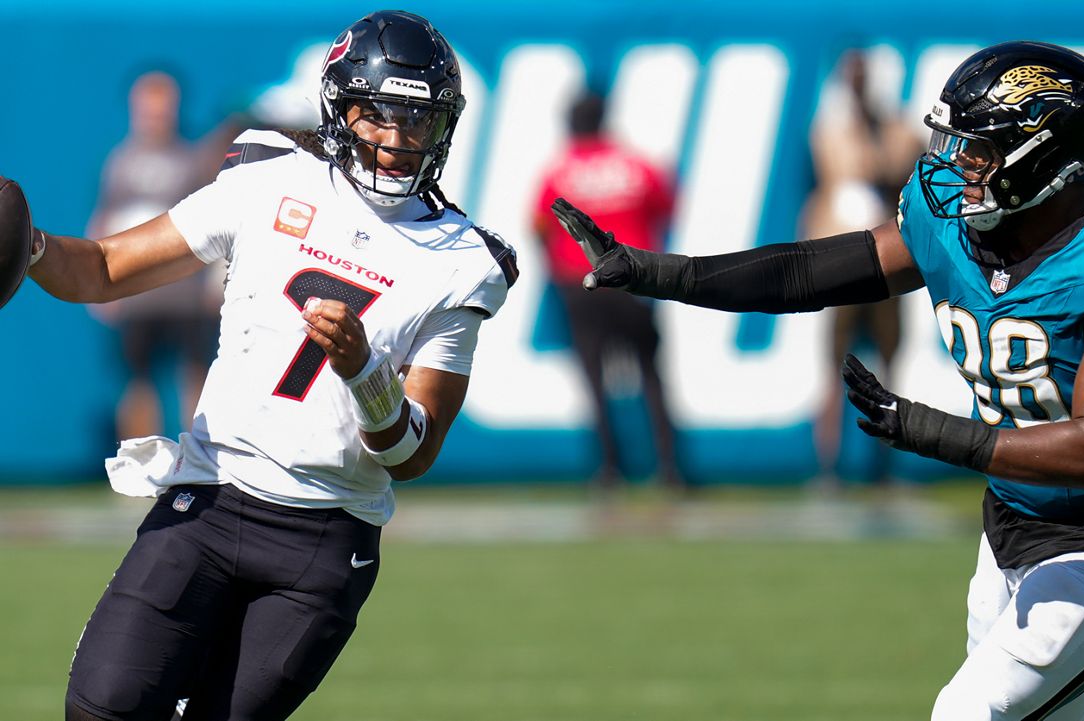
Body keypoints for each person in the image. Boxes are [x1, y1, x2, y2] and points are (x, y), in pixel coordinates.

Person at [550, 41, 1084, 719]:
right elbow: (810, 270)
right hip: (1014, 518)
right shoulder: (956, 223)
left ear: (1045, 156)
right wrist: (659, 273)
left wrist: (926, 429)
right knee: (1052, 712)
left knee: (969, 710)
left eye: (979, 150)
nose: (959, 165)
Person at [21, 11, 517, 720]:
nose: (400, 141)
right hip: (211, 498)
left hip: (323, 542)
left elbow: (414, 451)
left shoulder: (464, 261)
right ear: (341, 110)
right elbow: (102, 268)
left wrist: (364, 372)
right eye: (381, 116)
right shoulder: (266, 181)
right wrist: (31, 246)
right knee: (104, 709)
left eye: (420, 122)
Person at [531, 89, 683, 492]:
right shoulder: (635, 164)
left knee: (595, 380)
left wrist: (559, 270)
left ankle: (610, 469)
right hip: (634, 281)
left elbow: (539, 225)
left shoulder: (560, 172)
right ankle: (670, 468)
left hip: (581, 286)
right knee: (652, 376)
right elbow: (667, 207)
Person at [802, 49, 920, 489]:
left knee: (889, 366)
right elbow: (834, 180)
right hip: (843, 261)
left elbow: (900, 175)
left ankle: (885, 464)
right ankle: (829, 467)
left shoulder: (898, 130)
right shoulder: (830, 132)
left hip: (887, 263)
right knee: (835, 364)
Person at [87, 69, 223, 440]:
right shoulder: (119, 161)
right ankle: (138, 466)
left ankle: (198, 461)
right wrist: (95, 282)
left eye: (163, 103)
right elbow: (104, 217)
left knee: (194, 374)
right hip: (135, 294)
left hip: (185, 294)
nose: (155, 112)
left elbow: (220, 222)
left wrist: (217, 281)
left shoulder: (196, 160)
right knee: (137, 380)